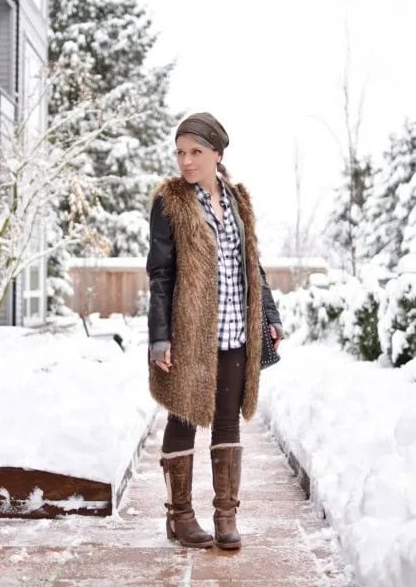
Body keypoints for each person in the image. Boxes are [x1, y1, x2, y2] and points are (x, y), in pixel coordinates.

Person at [146, 112, 284, 549]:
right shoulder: (170, 202)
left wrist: (271, 316)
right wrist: (159, 336)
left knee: (227, 420)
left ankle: (226, 516)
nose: (186, 161)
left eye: (195, 152)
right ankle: (180, 517)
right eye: (180, 152)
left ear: (217, 154)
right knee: (183, 417)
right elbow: (161, 274)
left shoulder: (239, 202)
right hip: (189, 335)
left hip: (235, 332)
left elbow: (252, 266)